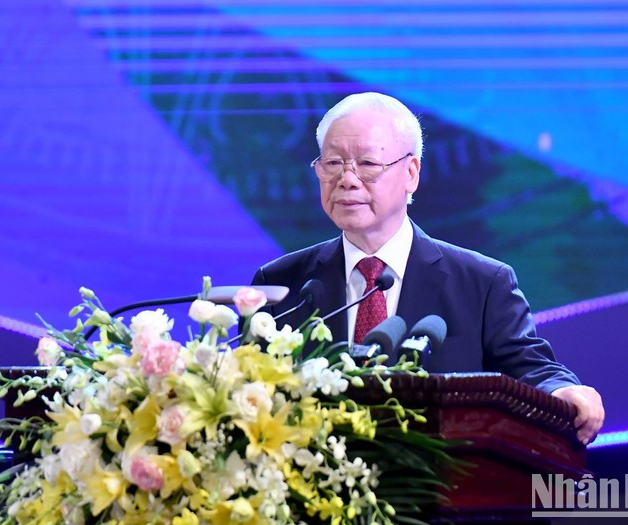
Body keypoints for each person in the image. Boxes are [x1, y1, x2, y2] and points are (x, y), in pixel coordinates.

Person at [251, 92, 604, 444]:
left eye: (368, 164)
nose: (347, 179)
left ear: (411, 173)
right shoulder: (281, 284)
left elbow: (532, 368)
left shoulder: (483, 284)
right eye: (332, 163)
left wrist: (564, 391)